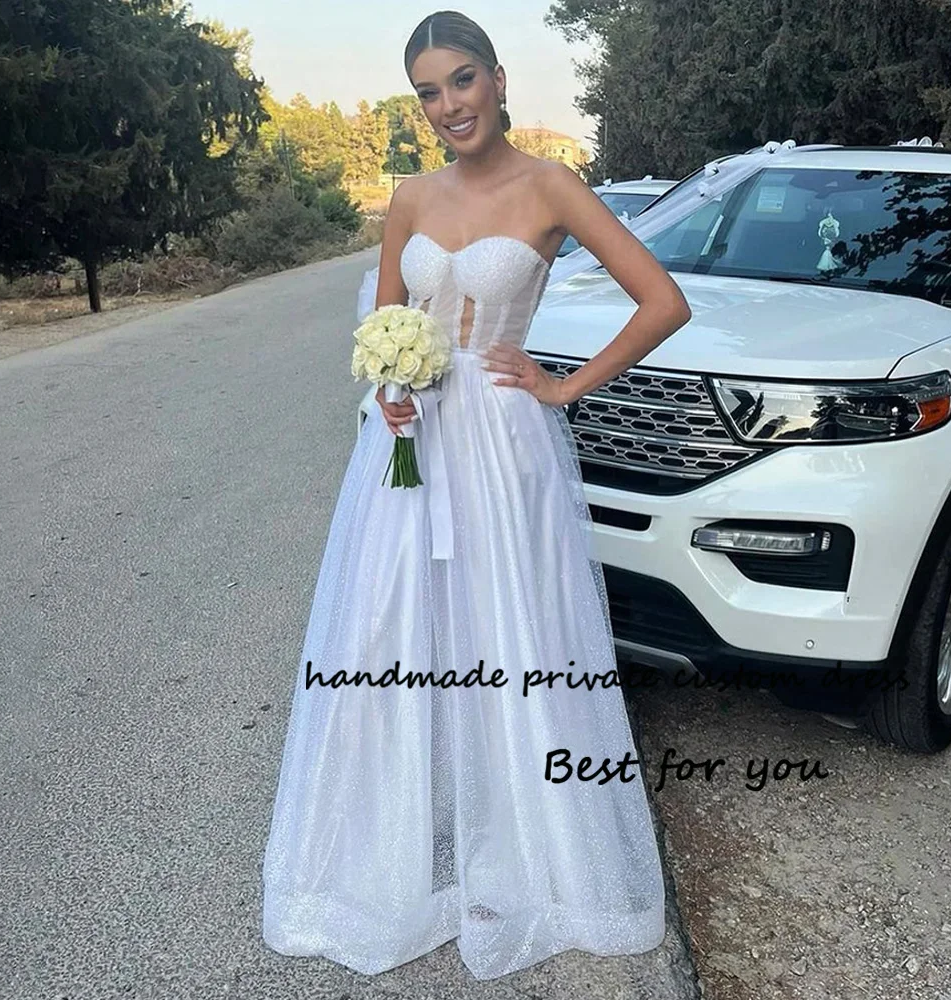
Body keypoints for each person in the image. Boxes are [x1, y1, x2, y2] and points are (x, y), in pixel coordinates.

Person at [261, 9, 692, 982]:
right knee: (391, 626)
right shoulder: (409, 196)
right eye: (428, 91)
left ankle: (535, 847)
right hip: (411, 442)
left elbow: (662, 301)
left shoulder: (550, 186)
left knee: (514, 628)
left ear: (497, 79)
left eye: (461, 80)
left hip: (501, 441)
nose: (448, 105)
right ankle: (385, 847)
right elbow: (385, 319)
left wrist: (564, 386)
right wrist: (388, 387)